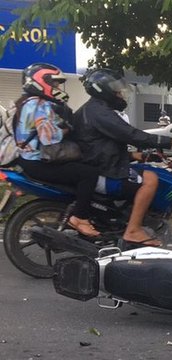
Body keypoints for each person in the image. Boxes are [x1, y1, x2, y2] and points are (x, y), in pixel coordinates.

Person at [73, 68, 172, 247]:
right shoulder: (100, 112)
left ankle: (128, 220)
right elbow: (130, 134)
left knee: (147, 171)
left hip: (101, 164)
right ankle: (133, 230)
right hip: (103, 172)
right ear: (103, 90)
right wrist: (169, 141)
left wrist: (137, 155)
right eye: (116, 90)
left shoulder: (96, 109)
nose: (120, 94)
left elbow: (100, 146)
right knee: (151, 180)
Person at [14, 63, 104, 237]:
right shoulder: (40, 104)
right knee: (89, 173)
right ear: (41, 82)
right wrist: (66, 129)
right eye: (53, 83)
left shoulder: (25, 102)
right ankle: (80, 217)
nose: (56, 87)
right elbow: (49, 137)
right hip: (37, 161)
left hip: (27, 160)